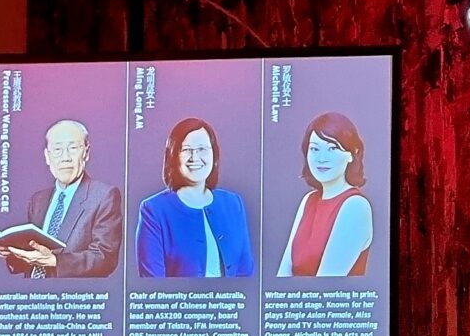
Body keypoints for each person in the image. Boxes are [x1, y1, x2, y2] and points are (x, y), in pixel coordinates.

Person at [135, 116, 256, 279]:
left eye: (202, 149)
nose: (195, 158)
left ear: (214, 154)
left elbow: (246, 273)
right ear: (173, 156)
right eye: (186, 150)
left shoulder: (233, 204)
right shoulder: (153, 210)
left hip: (230, 304)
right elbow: (153, 284)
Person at [7, 118, 123, 278]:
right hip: (32, 299)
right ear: (47, 156)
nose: (65, 158)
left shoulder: (104, 196)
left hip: (70, 299)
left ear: (86, 153)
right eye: (57, 150)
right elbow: (35, 255)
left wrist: (55, 261)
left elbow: (105, 258)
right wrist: (12, 253)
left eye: (73, 148)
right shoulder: (38, 200)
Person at [275, 112, 376, 278]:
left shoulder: (356, 206)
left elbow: (326, 286)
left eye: (332, 148)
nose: (321, 158)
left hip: (326, 302)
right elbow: (284, 273)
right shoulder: (308, 200)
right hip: (294, 301)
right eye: (314, 149)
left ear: (352, 154)